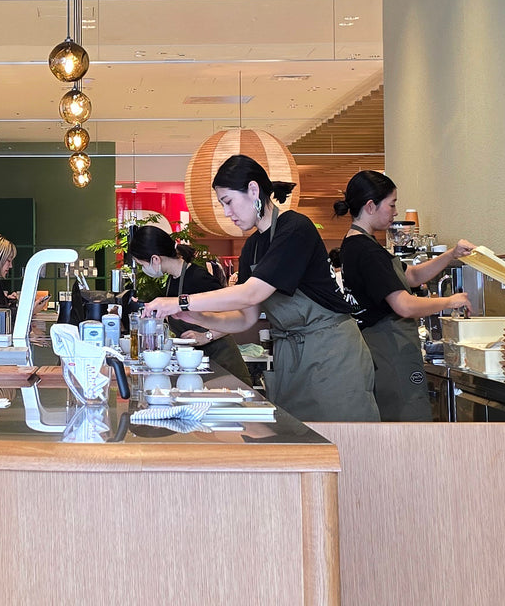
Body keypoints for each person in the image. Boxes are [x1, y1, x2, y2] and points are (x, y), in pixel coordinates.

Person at [143, 154, 379, 423]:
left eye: (228, 201)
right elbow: (246, 318)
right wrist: (198, 317)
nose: (227, 213)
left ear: (253, 190)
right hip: (290, 355)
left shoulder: (295, 228)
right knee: (297, 437)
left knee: (344, 438)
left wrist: (181, 302)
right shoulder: (252, 248)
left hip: (331, 351)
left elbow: (252, 293)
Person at [335, 170, 475, 421]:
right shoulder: (367, 251)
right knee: (408, 427)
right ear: (370, 206)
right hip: (391, 353)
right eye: (392, 204)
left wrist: (452, 254)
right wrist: (450, 301)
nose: (395, 212)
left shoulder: (354, 244)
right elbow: (403, 305)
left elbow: (410, 276)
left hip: (379, 352)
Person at [128, 225, 253, 385]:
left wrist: (206, 336)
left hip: (223, 365)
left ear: (155, 259)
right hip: (198, 364)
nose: (143, 269)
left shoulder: (198, 277)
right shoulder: (172, 279)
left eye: (142, 264)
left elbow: (237, 314)